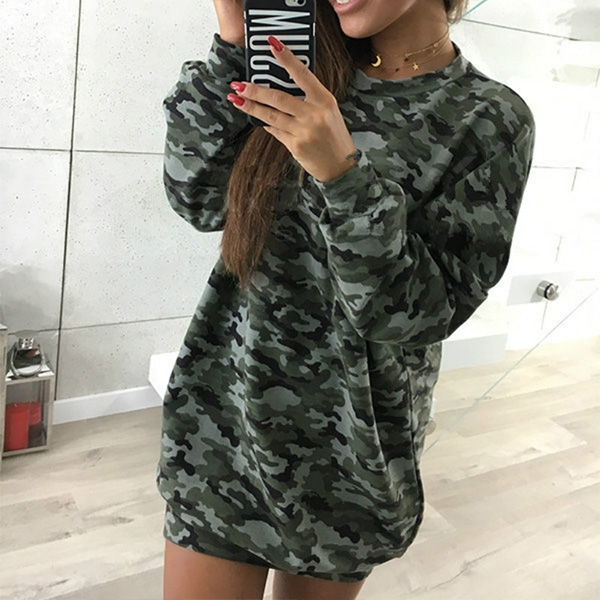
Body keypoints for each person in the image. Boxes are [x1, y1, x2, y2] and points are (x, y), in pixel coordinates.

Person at [157, 0, 536, 598]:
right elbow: (197, 198)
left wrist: (343, 175)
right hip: (222, 426)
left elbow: (420, 314)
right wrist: (232, 41)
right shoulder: (293, 68)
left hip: (348, 454)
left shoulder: (486, 116)